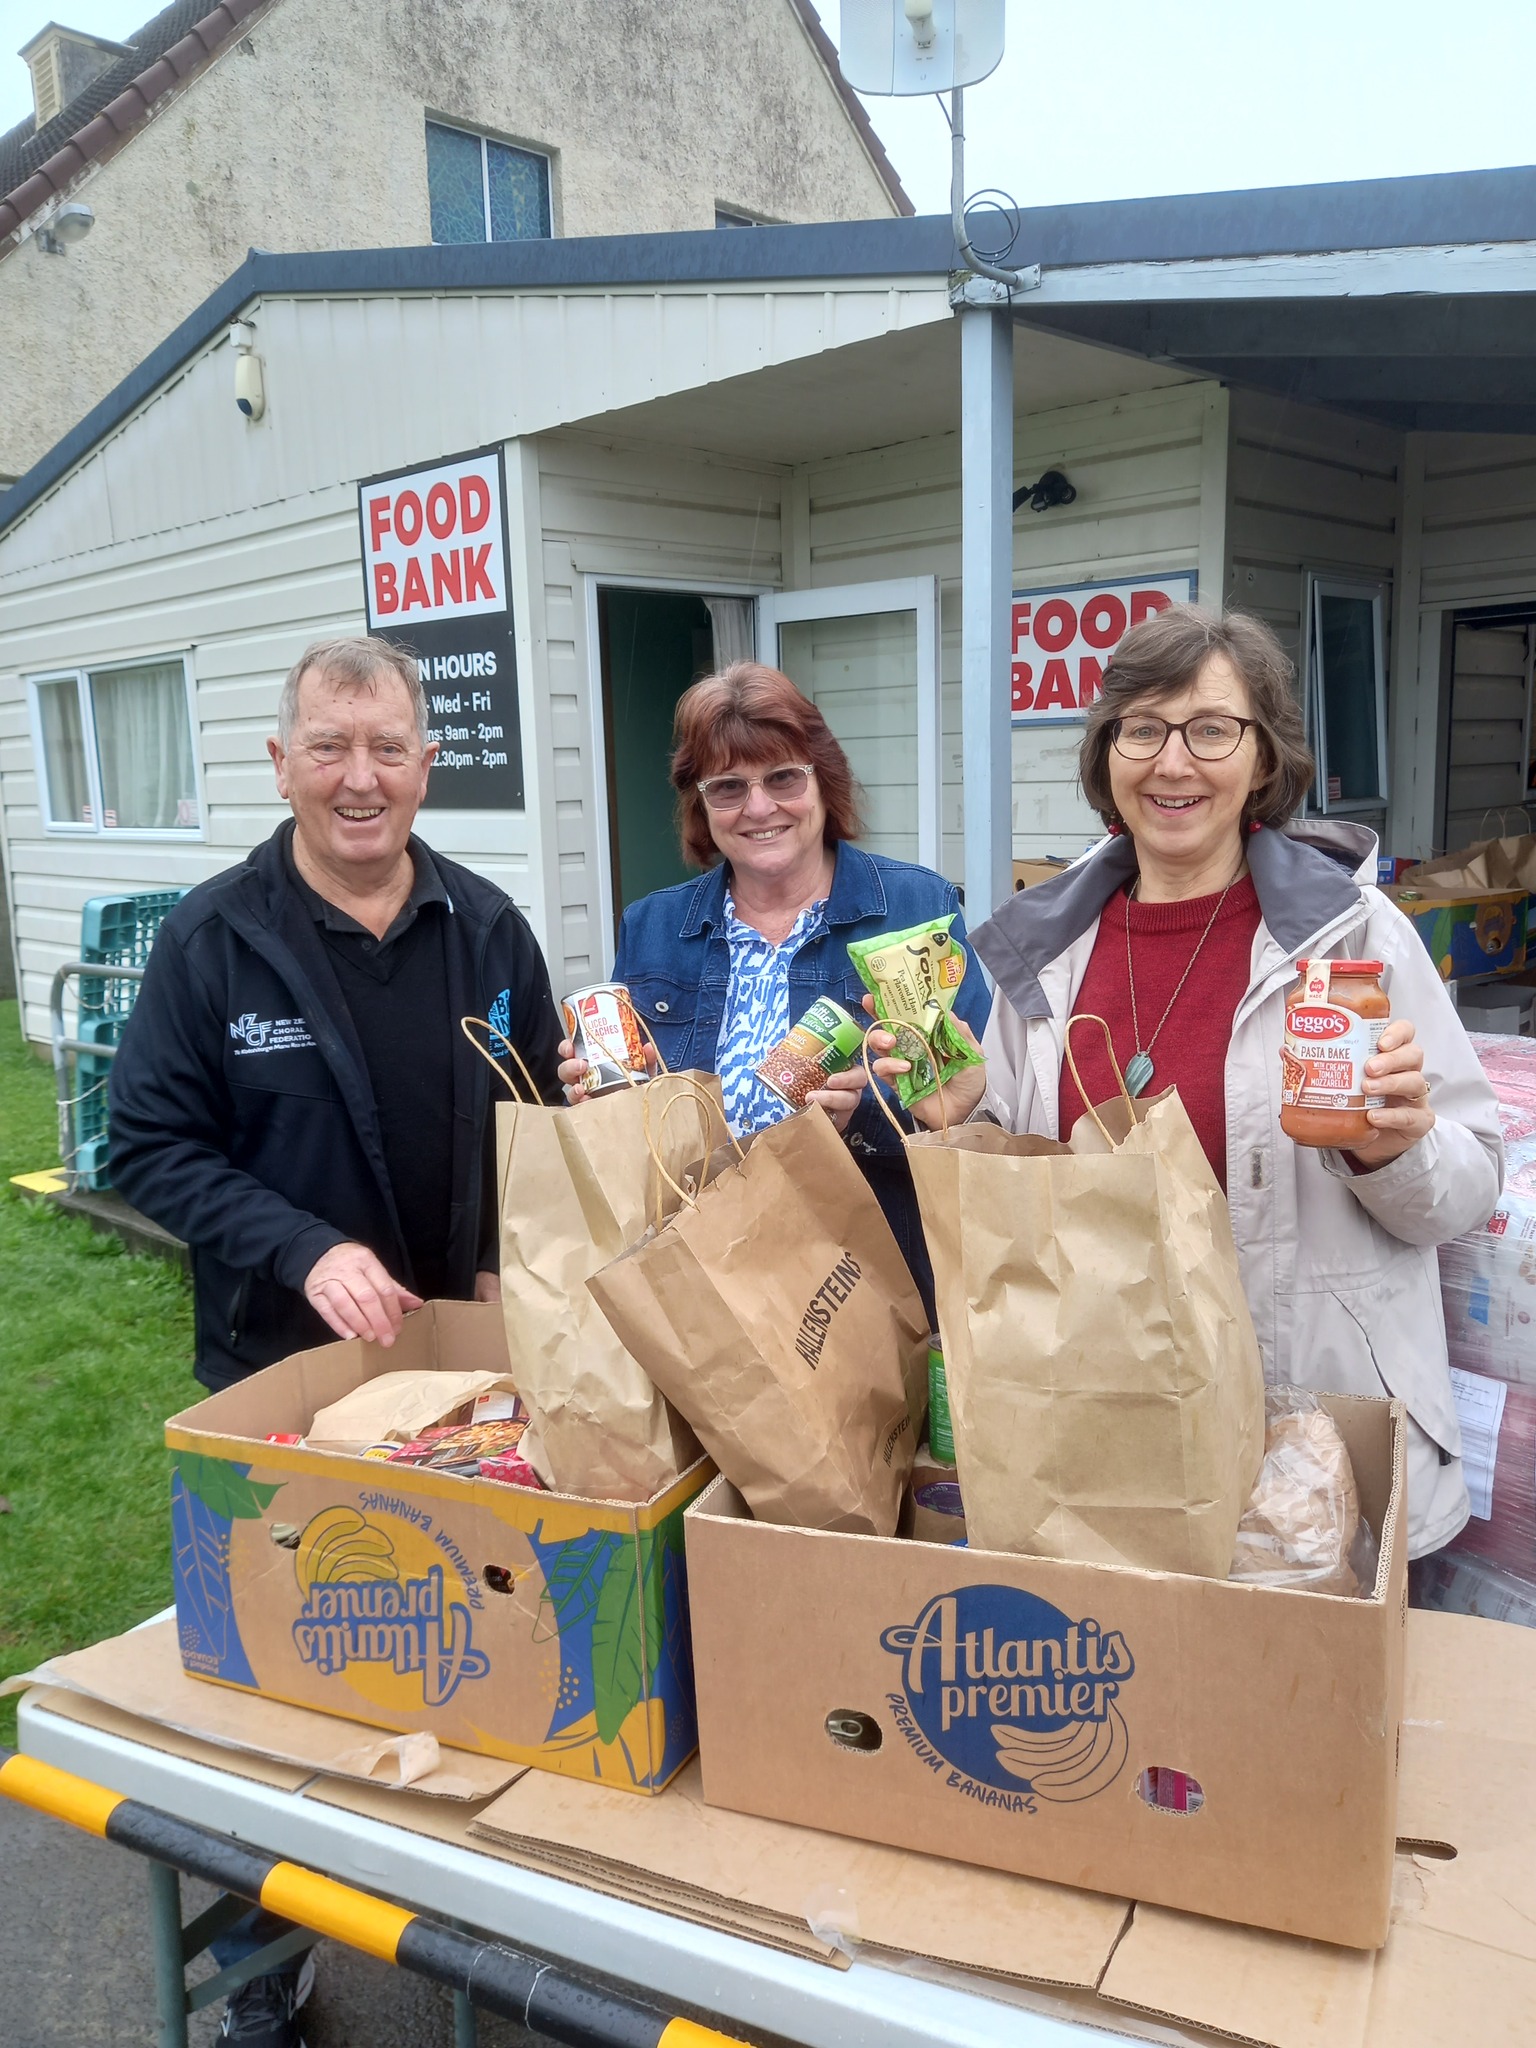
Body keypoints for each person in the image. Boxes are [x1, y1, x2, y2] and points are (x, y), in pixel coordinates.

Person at [108, 634, 561, 2046]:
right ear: (283, 763)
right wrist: (302, 1248)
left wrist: (511, 1248)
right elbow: (147, 1145)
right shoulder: (211, 938)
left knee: (473, 1648)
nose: (359, 780)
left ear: (428, 764)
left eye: (386, 750)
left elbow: (541, 1121)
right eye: (329, 748)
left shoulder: (488, 928)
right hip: (286, 1379)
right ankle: (269, 1960)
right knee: (289, 1704)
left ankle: (473, 1928)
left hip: (468, 1387)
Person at [873, 604, 1501, 1560]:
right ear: (1107, 752)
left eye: (1212, 729)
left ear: (1264, 757)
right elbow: (1014, 1207)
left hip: (1300, 1441)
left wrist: (1394, 1148)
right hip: (1097, 1432)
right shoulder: (1042, 948)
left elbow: (1467, 1187)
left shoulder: (1354, 934)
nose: (1173, 763)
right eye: (1143, 728)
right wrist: (965, 1125)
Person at [559, 661, 990, 1313]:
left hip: (867, 1289)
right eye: (728, 787)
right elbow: (637, 1144)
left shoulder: (913, 907)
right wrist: (602, 1104)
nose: (759, 808)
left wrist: (863, 1118)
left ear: (824, 780)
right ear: (700, 805)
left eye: (783, 777)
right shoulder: (652, 927)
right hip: (700, 1290)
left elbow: (976, 1130)